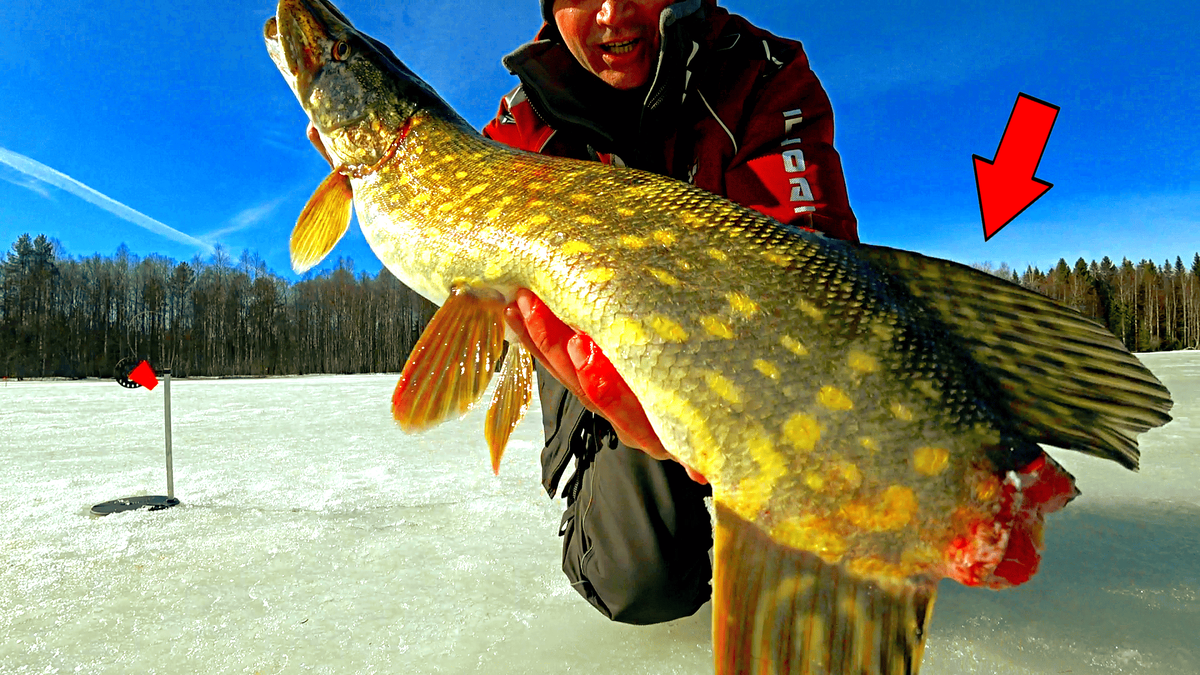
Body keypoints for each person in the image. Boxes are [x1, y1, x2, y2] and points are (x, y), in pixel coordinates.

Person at [481, 0, 859, 625]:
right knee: (643, 580)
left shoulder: (761, 72)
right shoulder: (522, 122)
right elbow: (479, 282)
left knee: (832, 557)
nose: (611, 12)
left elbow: (815, 265)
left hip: (745, 340)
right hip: (595, 351)